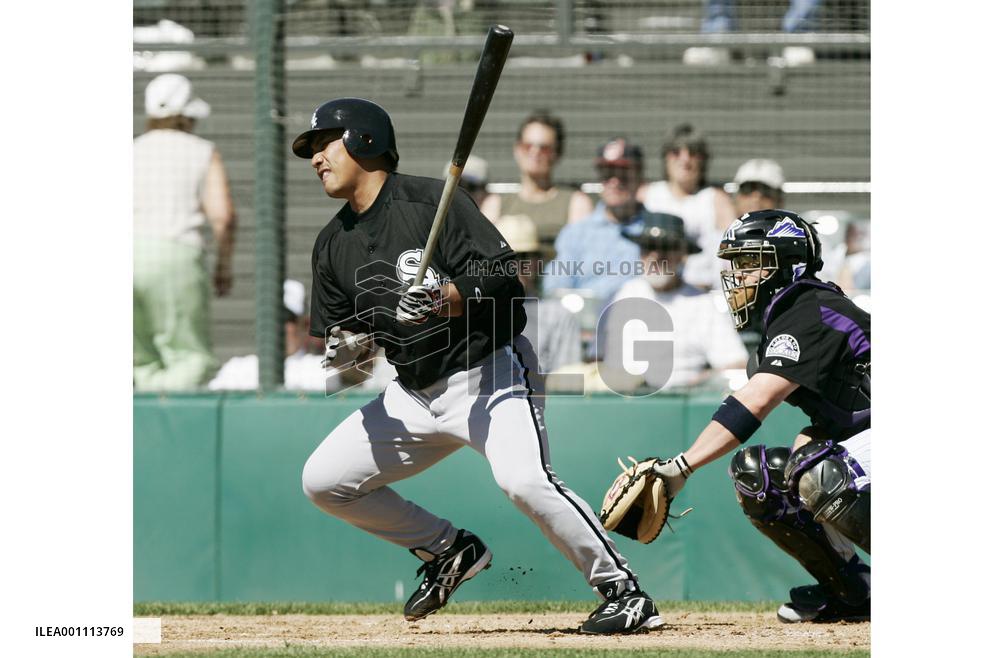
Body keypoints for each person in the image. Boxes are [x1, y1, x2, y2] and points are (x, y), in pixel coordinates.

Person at [294, 97, 663, 634]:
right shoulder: (331, 244)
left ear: (363, 141)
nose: (316, 158)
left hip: (486, 370)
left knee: (524, 481)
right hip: (413, 392)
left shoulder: (430, 202)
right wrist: (350, 352)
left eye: (325, 143)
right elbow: (350, 354)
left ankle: (623, 591)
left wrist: (448, 294)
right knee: (323, 481)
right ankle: (449, 551)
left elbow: (506, 277)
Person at [650, 209, 870, 623]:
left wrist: (681, 467)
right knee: (762, 476)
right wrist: (815, 433)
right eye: (735, 264)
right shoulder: (788, 317)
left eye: (751, 262)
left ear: (788, 264)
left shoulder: (809, 305)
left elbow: (758, 399)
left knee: (820, 473)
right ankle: (854, 593)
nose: (738, 274)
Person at [133, 73, 237, 390]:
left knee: (138, 361)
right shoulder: (202, 150)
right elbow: (223, 217)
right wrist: (223, 266)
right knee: (190, 358)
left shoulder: (131, 149)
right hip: (177, 255)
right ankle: (180, 433)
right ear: (188, 114)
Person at [605, 214, 747, 391]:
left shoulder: (702, 304)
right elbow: (598, 359)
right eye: (648, 247)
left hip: (683, 401)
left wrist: (703, 381)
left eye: (665, 248)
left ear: (682, 255)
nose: (655, 256)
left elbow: (735, 365)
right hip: (624, 400)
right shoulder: (624, 295)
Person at [545, 137, 650, 306]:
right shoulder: (575, 234)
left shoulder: (656, 230)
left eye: (623, 174)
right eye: (607, 174)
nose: (614, 182)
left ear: (639, 177)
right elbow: (555, 290)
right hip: (587, 327)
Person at [640, 124, 736, 290]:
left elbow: (735, 255)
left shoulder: (717, 200)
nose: (685, 159)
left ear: (703, 160)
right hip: (656, 290)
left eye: (693, 153)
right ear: (665, 158)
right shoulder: (647, 195)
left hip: (703, 292)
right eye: (676, 152)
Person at [480, 110, 593, 245]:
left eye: (544, 148)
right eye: (528, 146)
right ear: (517, 149)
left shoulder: (576, 203)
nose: (535, 152)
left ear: (557, 153)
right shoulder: (495, 205)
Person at [494, 214, 582, 374]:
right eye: (507, 259)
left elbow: (565, 385)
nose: (516, 266)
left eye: (524, 257)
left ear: (537, 261)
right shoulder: (474, 313)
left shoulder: (558, 316)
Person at [208, 280, 333, 391]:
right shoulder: (236, 370)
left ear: (305, 325)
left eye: (285, 319)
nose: (276, 326)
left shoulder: (319, 370)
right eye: (269, 319)